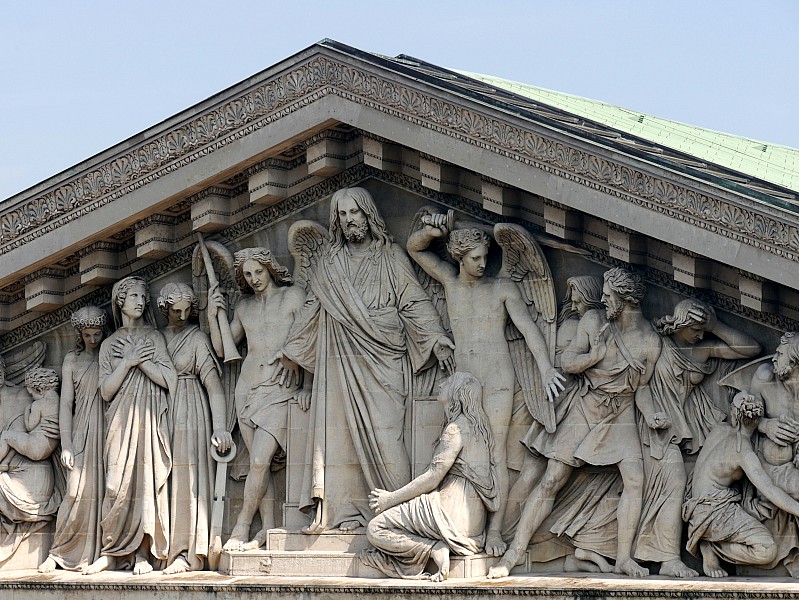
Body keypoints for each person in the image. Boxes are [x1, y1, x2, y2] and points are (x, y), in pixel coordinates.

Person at [275, 187, 455, 532]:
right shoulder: (330, 262)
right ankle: (340, 515)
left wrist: (435, 339)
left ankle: (399, 513)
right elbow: (314, 305)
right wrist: (293, 350)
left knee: (389, 440)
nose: (348, 220)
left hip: (384, 357)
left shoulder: (391, 256)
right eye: (341, 215)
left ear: (369, 214)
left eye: (354, 212)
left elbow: (413, 301)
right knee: (338, 437)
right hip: (338, 358)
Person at [488, 267, 662, 579]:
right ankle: (512, 555)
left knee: (635, 479)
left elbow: (642, 389)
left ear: (626, 300)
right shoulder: (594, 321)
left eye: (609, 296)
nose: (603, 300)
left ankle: (623, 558)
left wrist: (650, 415)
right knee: (552, 478)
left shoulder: (650, 341)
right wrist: (594, 355)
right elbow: (568, 363)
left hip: (620, 413)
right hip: (585, 405)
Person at [407, 220, 565, 555]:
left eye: (485, 257)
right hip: (462, 383)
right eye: (476, 258)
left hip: (496, 381)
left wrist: (546, 368)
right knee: (454, 452)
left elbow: (529, 330)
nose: (483, 263)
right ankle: (457, 522)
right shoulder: (450, 281)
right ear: (460, 258)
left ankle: (494, 533)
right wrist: (433, 231)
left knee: (494, 455)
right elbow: (414, 248)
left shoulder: (503, 289)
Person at [635, 299, 761, 577]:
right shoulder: (659, 344)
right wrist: (651, 414)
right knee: (675, 484)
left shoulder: (701, 350)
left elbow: (751, 349)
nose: (701, 334)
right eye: (696, 328)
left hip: (689, 430)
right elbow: (641, 387)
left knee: (695, 493)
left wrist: (717, 325)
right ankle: (668, 559)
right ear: (681, 323)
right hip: (656, 428)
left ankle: (707, 551)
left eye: (704, 329)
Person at [207, 247, 308, 550]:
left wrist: (298, 367)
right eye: (248, 275)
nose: (254, 279)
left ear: (270, 268)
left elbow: (311, 335)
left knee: (261, 460)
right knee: (257, 464)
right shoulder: (245, 308)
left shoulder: (293, 297)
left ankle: (241, 527)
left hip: (280, 386)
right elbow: (224, 347)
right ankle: (269, 529)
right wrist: (214, 315)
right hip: (247, 389)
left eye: (258, 272)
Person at [361, 372, 497, 582]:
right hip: (473, 525)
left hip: (448, 514)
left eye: (449, 382)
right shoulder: (481, 429)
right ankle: (435, 546)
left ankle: (433, 547)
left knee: (376, 528)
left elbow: (433, 478)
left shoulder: (456, 429)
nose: (442, 382)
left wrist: (390, 498)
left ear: (457, 394)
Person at [83, 276, 177, 575]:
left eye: (143, 296)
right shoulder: (109, 344)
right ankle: (111, 551)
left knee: (146, 484)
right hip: (120, 421)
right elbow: (106, 391)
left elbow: (169, 380)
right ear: (120, 301)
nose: (141, 301)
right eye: (135, 295)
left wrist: (140, 361)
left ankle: (141, 554)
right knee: (115, 484)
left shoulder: (155, 338)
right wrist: (125, 362)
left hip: (149, 418)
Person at [158, 283, 232, 572]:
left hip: (191, 410)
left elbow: (214, 387)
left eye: (187, 310)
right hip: (159, 410)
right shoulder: (156, 338)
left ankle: (186, 551)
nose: (182, 315)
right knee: (160, 478)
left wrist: (221, 427)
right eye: (176, 310)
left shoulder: (197, 338)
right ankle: (159, 548)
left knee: (188, 480)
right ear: (164, 309)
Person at [683, 393, 799, 577]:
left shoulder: (719, 429)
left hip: (697, 501)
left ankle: (708, 537)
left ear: (735, 415)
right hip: (714, 511)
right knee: (766, 550)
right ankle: (711, 545)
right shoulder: (743, 452)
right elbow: (770, 490)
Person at [39, 306, 108, 573]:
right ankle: (59, 552)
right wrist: (66, 445)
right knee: (74, 491)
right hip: (81, 428)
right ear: (79, 334)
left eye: (97, 333)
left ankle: (103, 552)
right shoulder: (72, 360)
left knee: (107, 492)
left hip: (108, 426)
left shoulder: (109, 353)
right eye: (88, 334)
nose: (93, 339)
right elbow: (66, 404)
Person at [0, 355, 60, 564]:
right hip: (35, 453)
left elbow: (26, 428)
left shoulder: (23, 399)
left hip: (31, 471)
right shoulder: (53, 402)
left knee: (6, 439)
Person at [0, 368, 59, 464]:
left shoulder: (38, 404)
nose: (31, 398)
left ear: (39, 390)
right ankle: (5, 463)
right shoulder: (61, 403)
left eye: (31, 395)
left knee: (5, 436)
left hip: (35, 446)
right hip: (48, 449)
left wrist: (27, 411)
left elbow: (29, 427)